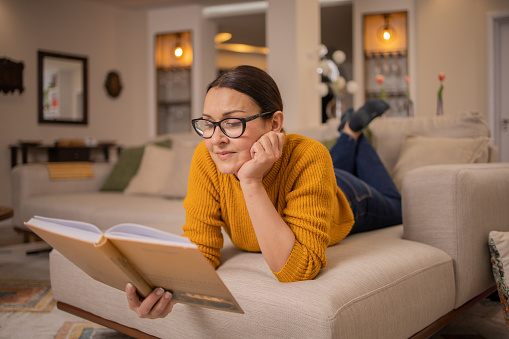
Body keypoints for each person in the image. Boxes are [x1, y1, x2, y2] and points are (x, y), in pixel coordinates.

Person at [126, 65, 402, 319]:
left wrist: (251, 182)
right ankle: (349, 133)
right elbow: (202, 247)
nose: (216, 140)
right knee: (331, 162)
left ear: (274, 124)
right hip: (312, 177)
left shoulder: (310, 157)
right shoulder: (207, 156)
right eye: (208, 123)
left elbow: (298, 269)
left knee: (397, 205)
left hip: (349, 197)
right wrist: (163, 290)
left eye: (232, 123)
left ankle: (353, 133)